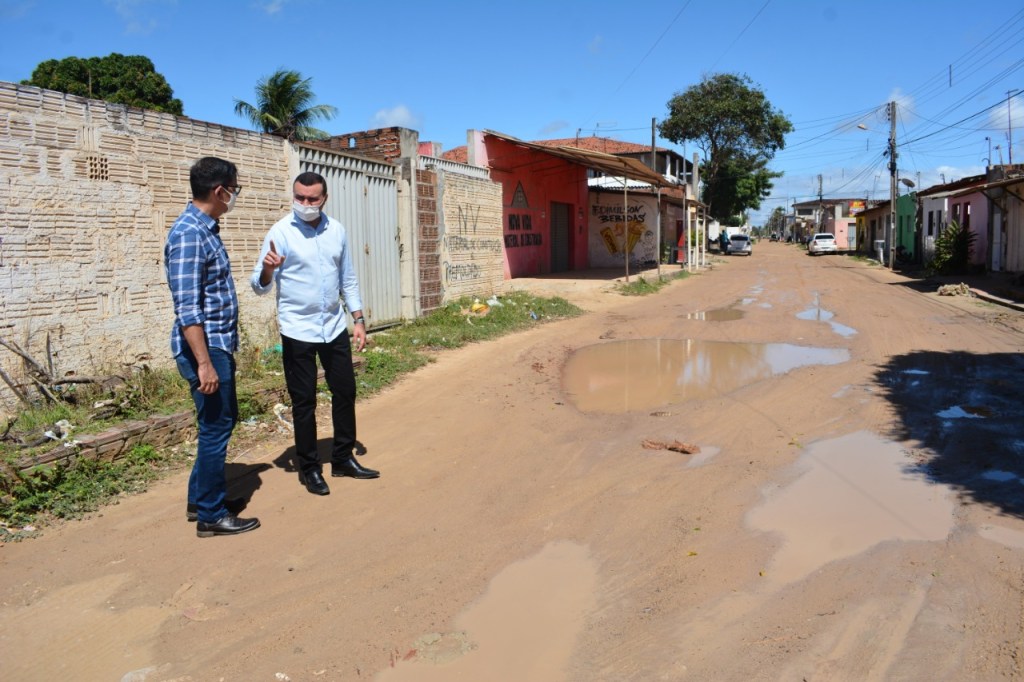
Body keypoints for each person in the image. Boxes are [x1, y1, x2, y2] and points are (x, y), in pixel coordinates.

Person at [251, 171, 380, 496]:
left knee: (345, 390)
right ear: (293, 196)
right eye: (300, 198)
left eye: (312, 199)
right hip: (297, 329)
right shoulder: (280, 232)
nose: (305, 204)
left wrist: (359, 319)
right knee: (304, 400)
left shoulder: (336, 230)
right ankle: (309, 468)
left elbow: (347, 278)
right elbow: (259, 286)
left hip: (334, 325)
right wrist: (269, 268)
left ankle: (342, 458)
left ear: (325, 198)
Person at [164, 157, 260, 537]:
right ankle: (210, 515)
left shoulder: (205, 229)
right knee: (217, 426)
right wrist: (204, 363)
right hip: (205, 349)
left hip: (215, 345)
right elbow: (187, 309)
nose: (235, 196)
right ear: (220, 191)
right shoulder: (189, 234)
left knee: (218, 422)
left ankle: (200, 500)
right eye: (234, 189)